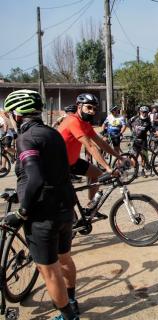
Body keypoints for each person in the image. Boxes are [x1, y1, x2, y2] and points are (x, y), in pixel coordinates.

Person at [3, 90, 79, 320]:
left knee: (49, 269)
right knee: (64, 257)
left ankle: (68, 316)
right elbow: (60, 168)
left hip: (42, 214)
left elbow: (35, 178)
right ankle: (72, 300)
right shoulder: (52, 133)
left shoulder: (26, 138)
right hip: (65, 207)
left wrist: (23, 212)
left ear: (17, 115)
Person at [58, 93, 123, 212]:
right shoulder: (73, 121)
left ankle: (91, 208)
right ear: (79, 106)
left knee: (97, 174)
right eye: (89, 107)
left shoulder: (85, 123)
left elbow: (101, 143)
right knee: (68, 201)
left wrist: (120, 157)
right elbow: (90, 145)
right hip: (59, 165)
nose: (92, 111)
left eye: (94, 109)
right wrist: (108, 167)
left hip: (72, 162)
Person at [130, 106, 156, 177]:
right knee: (135, 156)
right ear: (140, 112)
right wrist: (131, 131)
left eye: (146, 112)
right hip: (135, 141)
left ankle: (142, 170)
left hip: (143, 141)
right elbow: (129, 123)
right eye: (143, 112)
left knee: (143, 156)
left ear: (147, 112)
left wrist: (154, 135)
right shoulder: (134, 118)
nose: (144, 113)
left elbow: (151, 130)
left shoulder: (148, 120)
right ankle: (135, 172)